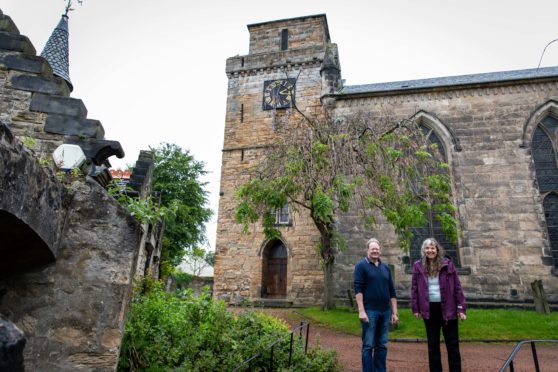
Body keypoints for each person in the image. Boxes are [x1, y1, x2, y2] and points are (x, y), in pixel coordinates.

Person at [411, 238, 466, 372]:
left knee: (452, 345)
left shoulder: (447, 264)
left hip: (449, 308)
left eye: (432, 248)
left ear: (437, 250)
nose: (430, 250)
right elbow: (414, 288)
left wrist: (461, 308)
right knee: (433, 345)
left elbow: (457, 287)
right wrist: (416, 308)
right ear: (424, 250)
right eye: (427, 248)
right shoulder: (418, 266)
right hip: (429, 309)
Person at [354, 238, 398, 372]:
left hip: (385, 312)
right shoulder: (361, 266)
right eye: (372, 249)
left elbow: (392, 291)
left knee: (382, 345)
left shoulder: (385, 268)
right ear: (367, 250)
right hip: (369, 311)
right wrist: (361, 311)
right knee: (368, 345)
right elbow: (358, 289)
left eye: (377, 249)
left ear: (380, 250)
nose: (375, 251)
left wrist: (394, 312)